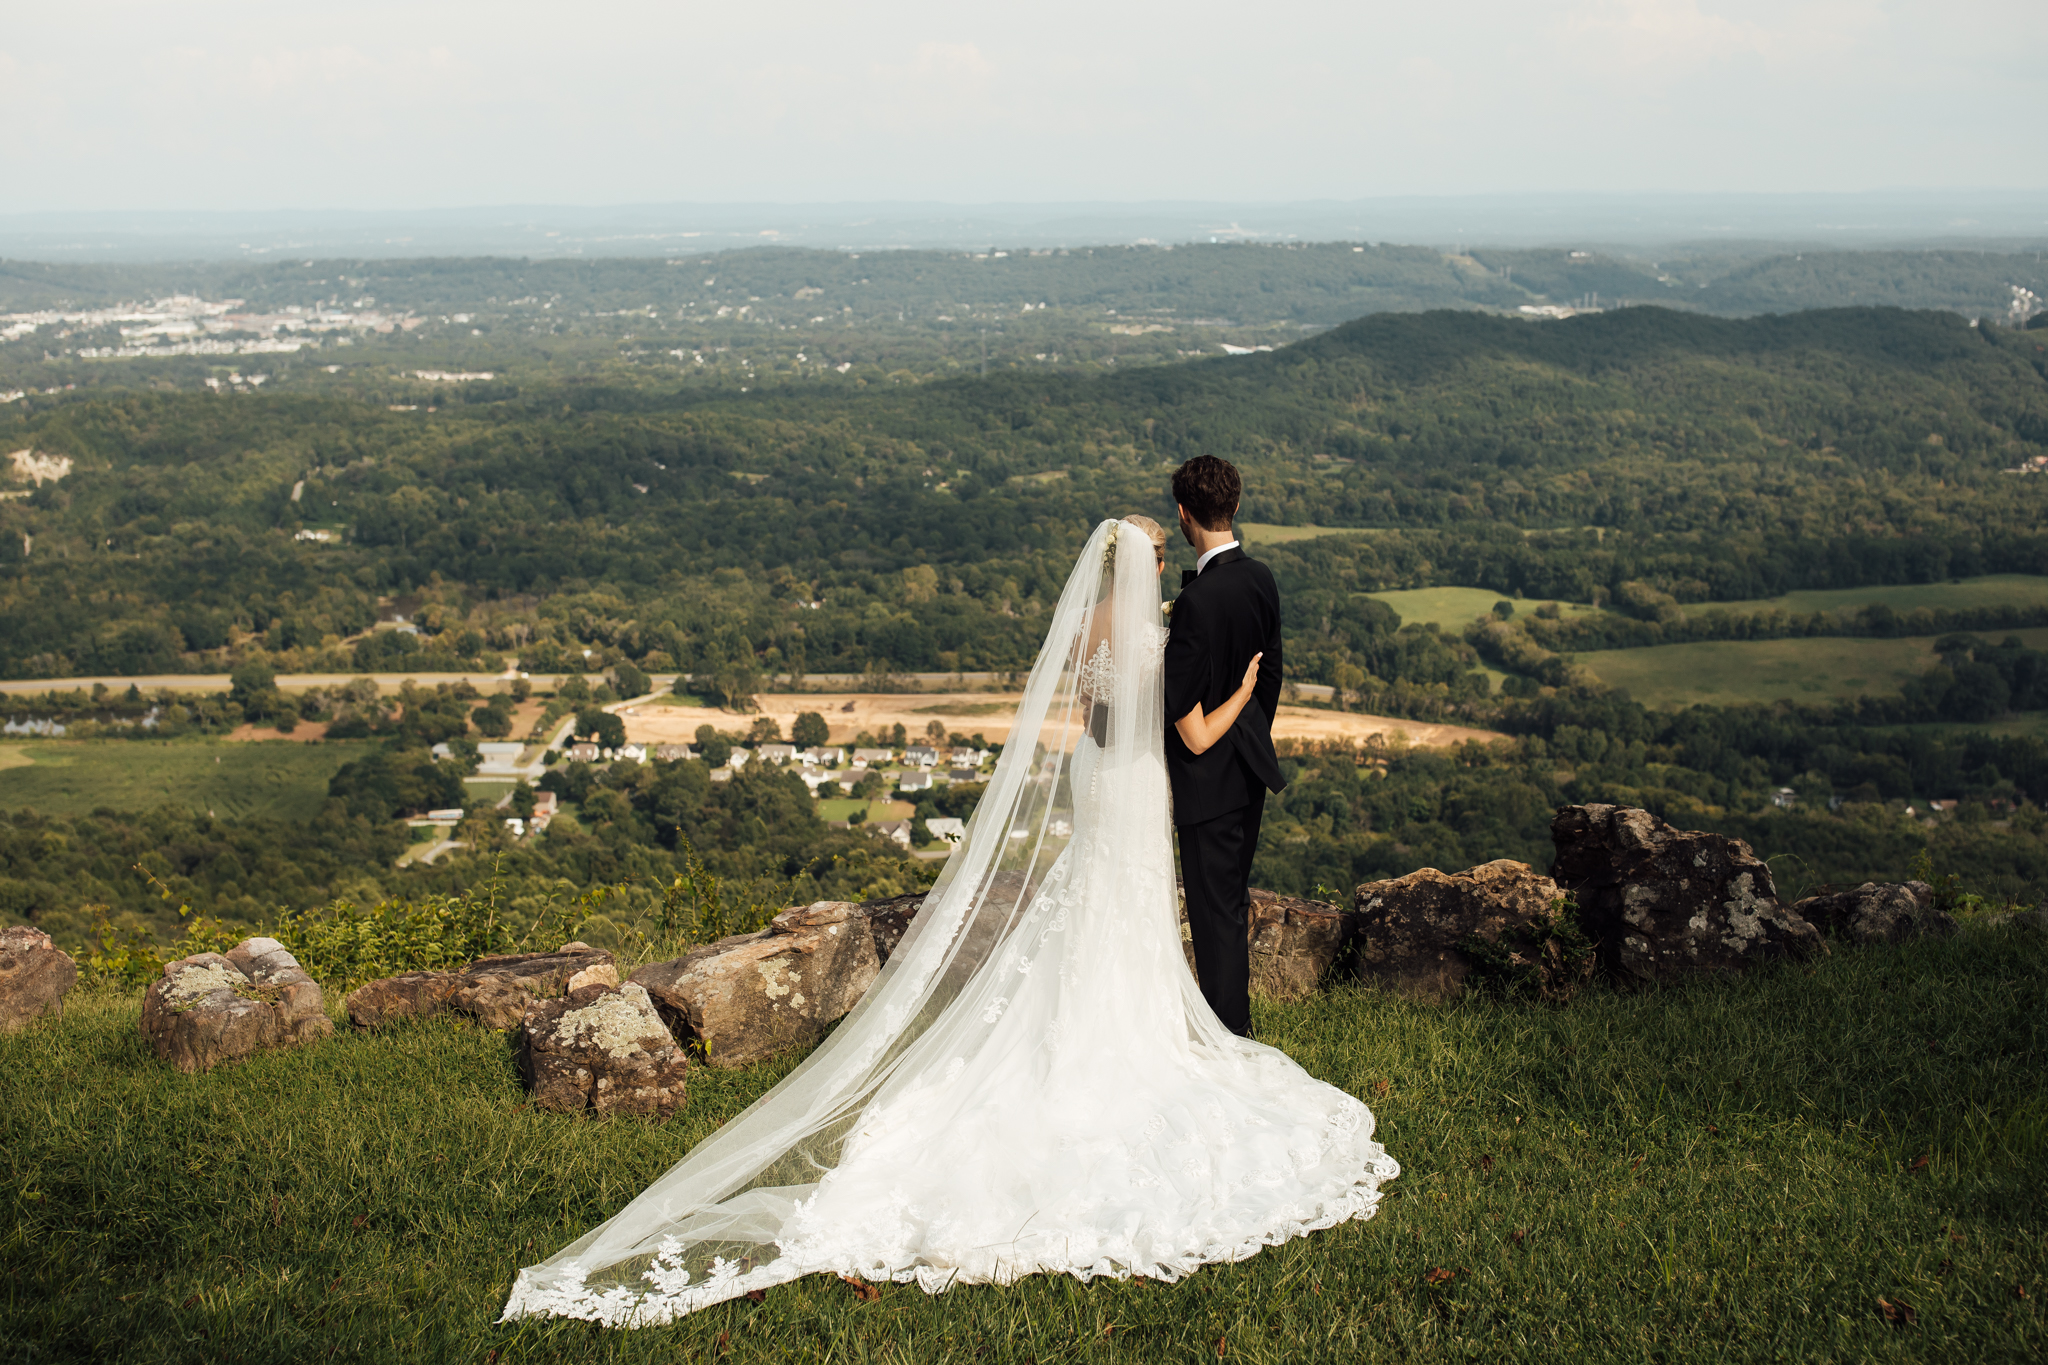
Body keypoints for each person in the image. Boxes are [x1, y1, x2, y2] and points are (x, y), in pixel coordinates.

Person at [501, 510, 1396, 1328]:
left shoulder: (1093, 629)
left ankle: (1096, 1017)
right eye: (1157, 554)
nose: (1167, 560)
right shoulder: (1162, 634)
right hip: (1131, 782)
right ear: (1137, 565)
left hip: (1097, 772)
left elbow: (1094, 712)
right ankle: (1125, 1036)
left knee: (1095, 900)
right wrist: (1239, 685)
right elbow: (1183, 730)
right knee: (1125, 903)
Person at [1161, 456, 1285, 1038]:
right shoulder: (1261, 578)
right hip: (1248, 772)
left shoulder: (1193, 605)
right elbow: (1273, 677)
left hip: (1205, 783)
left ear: (1184, 515)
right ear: (1234, 506)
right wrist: (1249, 736)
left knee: (1214, 922)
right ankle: (1233, 1030)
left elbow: (1185, 721)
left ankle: (1230, 1039)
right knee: (1230, 909)